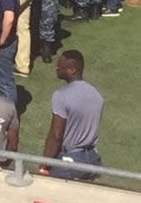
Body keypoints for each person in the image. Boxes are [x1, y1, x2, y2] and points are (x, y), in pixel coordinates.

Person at [39, 49, 103, 181]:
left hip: (71, 160)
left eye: (61, 67)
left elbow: (56, 136)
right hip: (92, 159)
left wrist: (44, 163)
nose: (56, 69)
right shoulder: (96, 94)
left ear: (73, 70)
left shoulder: (61, 95)